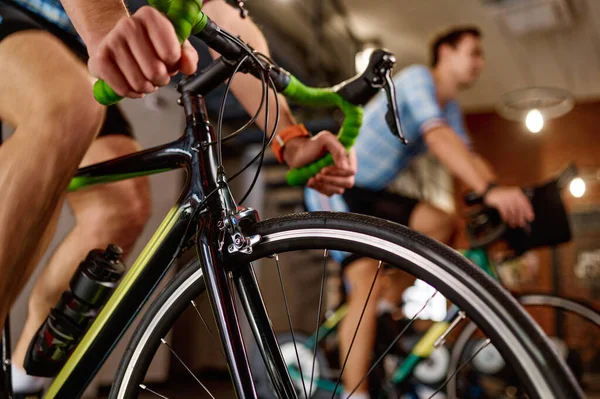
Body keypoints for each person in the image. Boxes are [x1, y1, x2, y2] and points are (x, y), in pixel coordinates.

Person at [0, 0, 356, 396]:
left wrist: (288, 137)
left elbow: (225, 17)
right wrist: (103, 23)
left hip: (68, 43)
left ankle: (20, 380)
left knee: (120, 209)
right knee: (67, 109)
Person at [305, 26, 535, 398]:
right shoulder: (415, 80)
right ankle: (355, 393)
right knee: (366, 283)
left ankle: (385, 306)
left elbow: (469, 157)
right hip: (333, 186)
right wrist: (490, 191)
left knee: (443, 224)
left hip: (371, 191)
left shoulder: (450, 107)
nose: (480, 62)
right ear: (445, 51)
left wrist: (505, 195)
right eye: (473, 52)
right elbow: (437, 138)